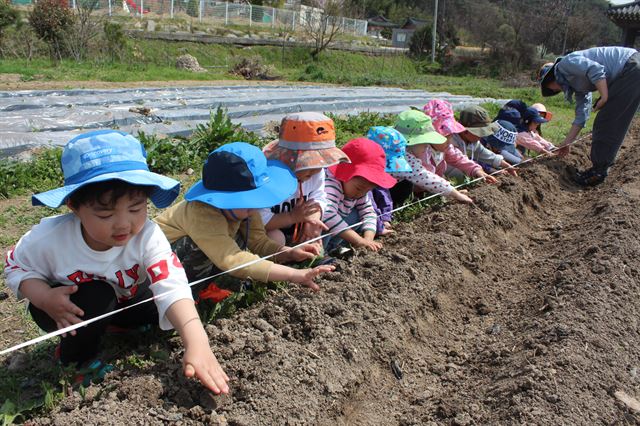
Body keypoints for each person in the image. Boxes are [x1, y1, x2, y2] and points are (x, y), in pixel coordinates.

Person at [3, 130, 230, 394]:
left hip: (127, 296)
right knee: (97, 296)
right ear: (74, 206)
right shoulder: (49, 239)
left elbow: (171, 283)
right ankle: (77, 360)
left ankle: (119, 324)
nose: (124, 224)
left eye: (136, 209)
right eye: (105, 213)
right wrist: (43, 297)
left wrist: (197, 342)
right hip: (68, 308)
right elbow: (16, 265)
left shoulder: (147, 234)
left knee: (168, 303)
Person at [154, 142, 334, 293]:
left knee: (241, 237)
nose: (255, 207)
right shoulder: (202, 212)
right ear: (228, 198)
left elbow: (258, 242)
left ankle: (211, 286)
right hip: (150, 272)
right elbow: (232, 259)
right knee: (197, 246)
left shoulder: (246, 209)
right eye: (250, 200)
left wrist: (288, 253)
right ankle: (185, 296)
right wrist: (294, 275)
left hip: (209, 255)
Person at [538, 46, 640, 186]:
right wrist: (567, 142)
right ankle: (599, 168)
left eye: (552, 87)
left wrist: (604, 97)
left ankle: (598, 171)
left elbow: (595, 69)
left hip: (630, 67)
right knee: (613, 119)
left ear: (551, 77)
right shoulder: (578, 85)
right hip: (631, 70)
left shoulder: (566, 64)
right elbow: (582, 114)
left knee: (607, 120)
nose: (555, 90)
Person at [261, 112, 349, 247]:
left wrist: (313, 217)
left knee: (318, 226)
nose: (315, 171)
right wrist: (292, 217)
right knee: (275, 238)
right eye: (309, 164)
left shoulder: (315, 173)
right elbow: (260, 220)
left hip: (299, 223)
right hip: (270, 227)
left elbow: (320, 196)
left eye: (320, 164)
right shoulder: (268, 177)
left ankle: (310, 256)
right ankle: (283, 261)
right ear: (288, 160)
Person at [390, 109, 494, 207]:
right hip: (388, 191)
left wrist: (451, 191)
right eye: (423, 142)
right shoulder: (403, 158)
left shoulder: (409, 151)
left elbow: (456, 158)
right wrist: (455, 194)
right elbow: (424, 177)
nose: (426, 146)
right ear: (410, 142)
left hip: (423, 187)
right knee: (404, 187)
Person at [323, 137, 397, 252]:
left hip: (336, 223)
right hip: (312, 228)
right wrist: (358, 240)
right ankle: (319, 253)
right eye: (359, 188)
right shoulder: (331, 184)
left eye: (367, 190)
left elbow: (368, 211)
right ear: (346, 174)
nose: (361, 193)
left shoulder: (361, 189)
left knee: (358, 214)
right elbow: (327, 214)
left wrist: (368, 238)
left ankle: (332, 247)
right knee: (321, 220)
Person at [423, 102, 516, 178]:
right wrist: (485, 172)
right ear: (466, 131)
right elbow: (456, 165)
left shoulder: (473, 141)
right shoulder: (448, 141)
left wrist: (505, 165)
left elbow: (484, 153)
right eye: (479, 133)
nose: (480, 136)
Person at [365, 126, 413, 236]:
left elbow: (384, 196)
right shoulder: (365, 181)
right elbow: (369, 205)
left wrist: (386, 218)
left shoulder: (379, 174)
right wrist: (379, 226)